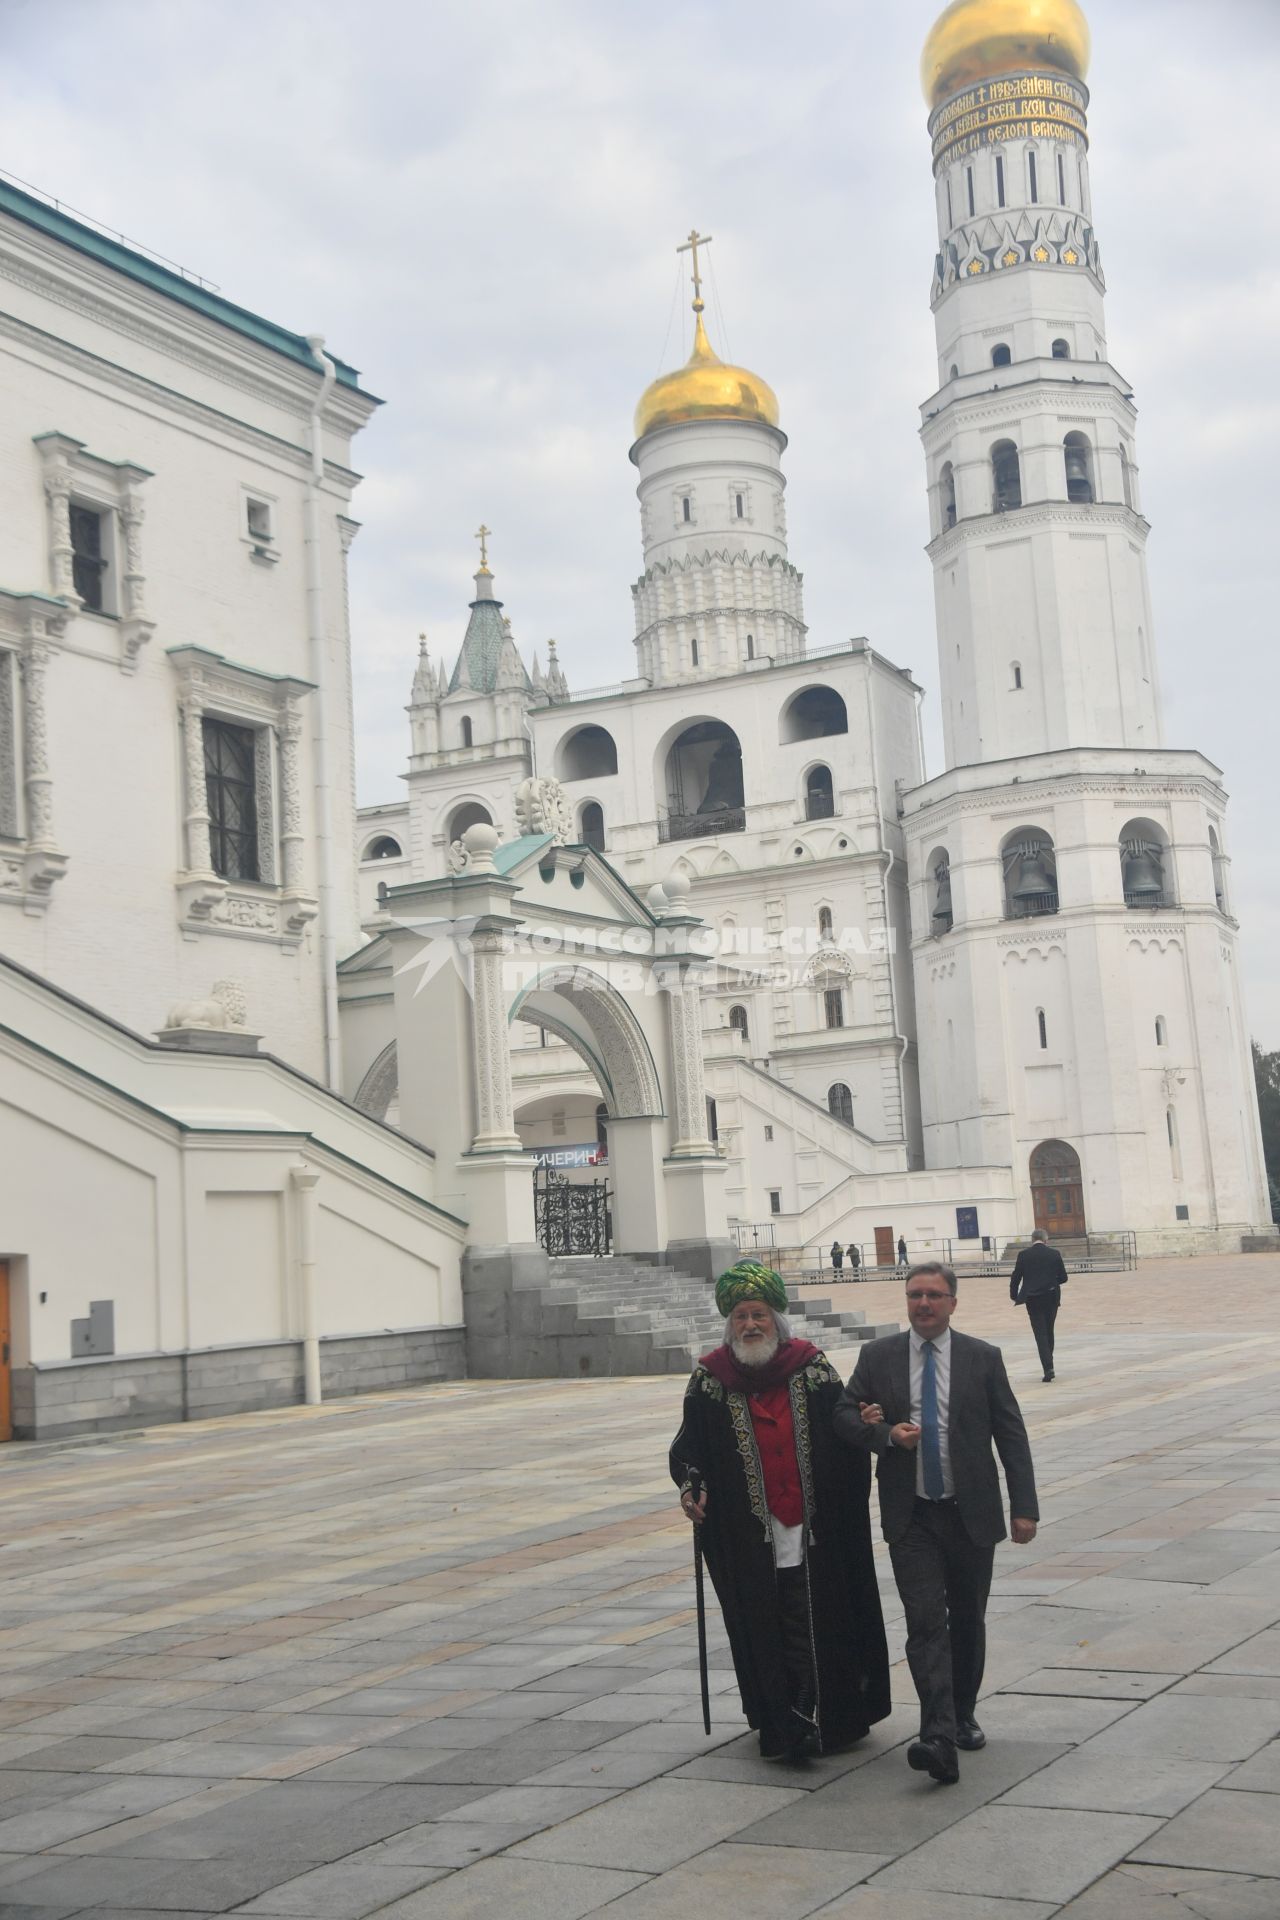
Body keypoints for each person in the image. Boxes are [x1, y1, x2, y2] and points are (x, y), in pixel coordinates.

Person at [670, 1260, 891, 1764]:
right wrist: (691, 1487)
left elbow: (844, 1426)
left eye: (760, 1316)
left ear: (777, 1322)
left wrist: (864, 1424)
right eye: (742, 1317)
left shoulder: (811, 1368)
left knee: (818, 1615)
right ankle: (783, 1720)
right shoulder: (709, 1380)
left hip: (816, 1527)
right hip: (748, 1534)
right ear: (730, 1325)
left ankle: (828, 1717)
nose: (750, 1325)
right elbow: (689, 1448)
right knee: (768, 1621)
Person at [833, 1262, 1038, 1786]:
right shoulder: (878, 1357)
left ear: (953, 1302)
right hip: (912, 1514)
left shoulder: (982, 1359)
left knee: (966, 1620)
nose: (923, 1304)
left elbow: (1010, 1434)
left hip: (971, 1513)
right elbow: (844, 1414)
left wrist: (1024, 1507)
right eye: (914, 1295)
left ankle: (962, 1713)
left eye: (933, 1295)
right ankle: (937, 1737)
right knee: (925, 1622)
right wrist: (883, 1436)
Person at [1009, 1229, 1069, 1381]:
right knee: (1049, 1330)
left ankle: (1048, 1368)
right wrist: (1052, 1281)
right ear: (1045, 1240)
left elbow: (1016, 1277)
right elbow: (1063, 1277)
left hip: (1032, 1298)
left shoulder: (1024, 1255)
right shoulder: (1054, 1254)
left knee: (1040, 1333)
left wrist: (1014, 1295)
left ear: (1032, 1239)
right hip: (1051, 1297)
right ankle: (1050, 1364)